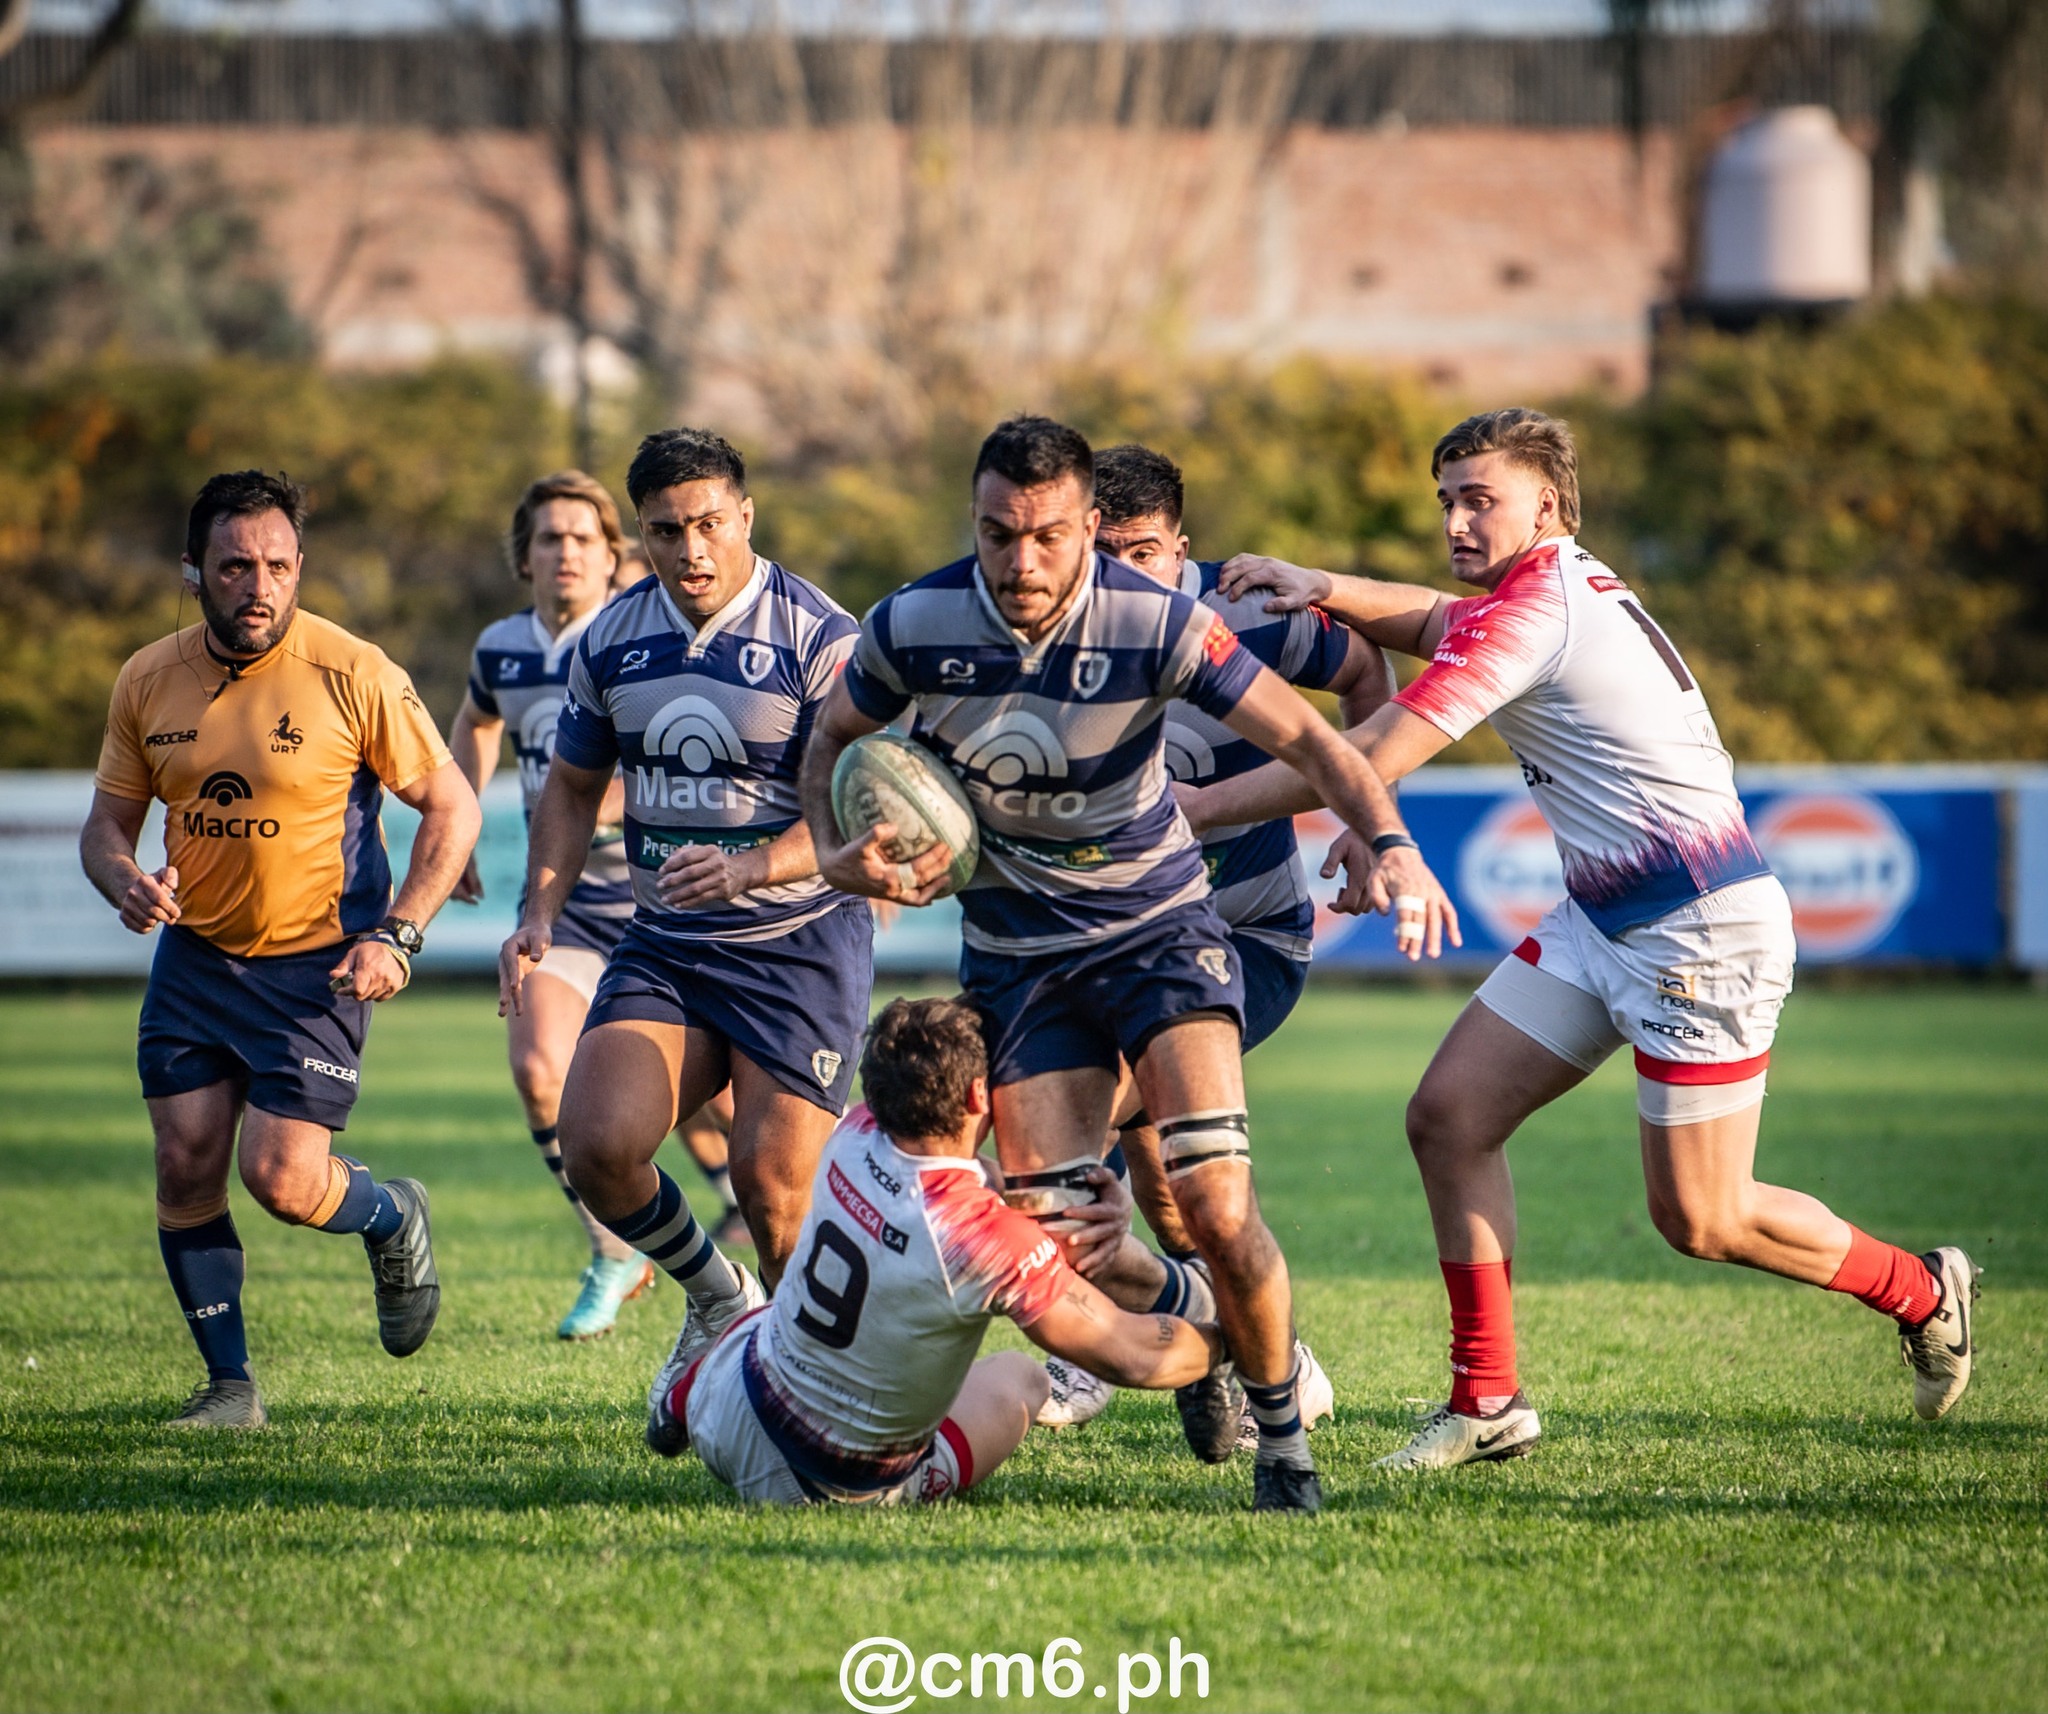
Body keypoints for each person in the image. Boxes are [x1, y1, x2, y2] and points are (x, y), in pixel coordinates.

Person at [1189, 407, 1981, 1468]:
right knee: (1449, 1118)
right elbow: (1436, 617)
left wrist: (1186, 813)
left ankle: (1921, 1289)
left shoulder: (1534, 613)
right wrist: (1322, 584)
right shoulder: (1537, 590)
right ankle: (1486, 1402)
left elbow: (1368, 751)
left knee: (1701, 1218)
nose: (1456, 522)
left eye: (1480, 500)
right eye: (1446, 502)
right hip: (1602, 919)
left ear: (1549, 506)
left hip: (1698, 932)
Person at [800, 414, 1458, 1513]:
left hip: (1158, 932)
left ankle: (1283, 1440)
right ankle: (1205, 1314)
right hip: (1018, 959)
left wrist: (1389, 840)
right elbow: (829, 739)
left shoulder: (1158, 622)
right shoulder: (912, 624)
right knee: (1064, 1241)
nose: (1021, 562)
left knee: (1215, 1200)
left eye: (1048, 536)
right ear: (973, 519)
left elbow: (1312, 739)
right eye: (997, 533)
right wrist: (836, 851)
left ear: (1090, 525)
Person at [79, 470, 482, 1429]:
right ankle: (230, 1387)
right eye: (234, 567)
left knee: (282, 1181)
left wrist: (399, 934)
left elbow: (452, 806)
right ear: (193, 572)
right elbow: (106, 826)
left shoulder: (356, 671)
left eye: (278, 566)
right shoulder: (147, 677)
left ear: (300, 567)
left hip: (319, 965)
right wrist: (122, 877)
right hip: (196, 959)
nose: (259, 587)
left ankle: (392, 1213)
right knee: (185, 1163)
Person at [499, 428, 871, 1453]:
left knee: (774, 1190)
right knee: (598, 1146)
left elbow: (862, 806)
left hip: (798, 942)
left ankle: (820, 1409)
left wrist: (750, 866)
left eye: (709, 523)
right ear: (642, 536)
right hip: (668, 941)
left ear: (745, 516)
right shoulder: (611, 639)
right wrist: (538, 911)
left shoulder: (820, 637)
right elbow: (571, 787)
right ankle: (716, 1296)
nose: (691, 549)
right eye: (666, 531)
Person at [1033, 443, 1399, 1446]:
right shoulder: (1050, 631)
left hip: (1247, 938)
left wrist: (1370, 824)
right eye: (1103, 554)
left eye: (1143, 553)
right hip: (1120, 942)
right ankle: (1254, 1350)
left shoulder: (1249, 621)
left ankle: (1093, 1344)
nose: (1122, 576)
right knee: (1166, 1183)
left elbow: (1366, 670)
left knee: (1074, 1121)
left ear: (1182, 547)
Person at [670, 997, 1226, 1506]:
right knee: (1023, 1377)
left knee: (774, 1321)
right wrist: (1237, 1338)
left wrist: (1049, 1198)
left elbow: (953, 1173)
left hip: (724, 1407)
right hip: (817, 1484)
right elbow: (1133, 1355)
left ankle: (677, 1404)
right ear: (980, 1095)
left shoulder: (857, 1131)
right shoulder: (984, 1238)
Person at [451, 471, 662, 1339]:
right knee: (539, 1068)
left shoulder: (647, 634)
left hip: (661, 899)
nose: (566, 552)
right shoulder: (503, 649)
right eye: (549, 538)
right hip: (562, 901)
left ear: (613, 556)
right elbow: (476, 721)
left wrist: (594, 806)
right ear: (524, 556)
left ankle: (761, 1242)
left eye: (583, 538)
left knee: (718, 1110)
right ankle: (613, 1249)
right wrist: (460, 821)